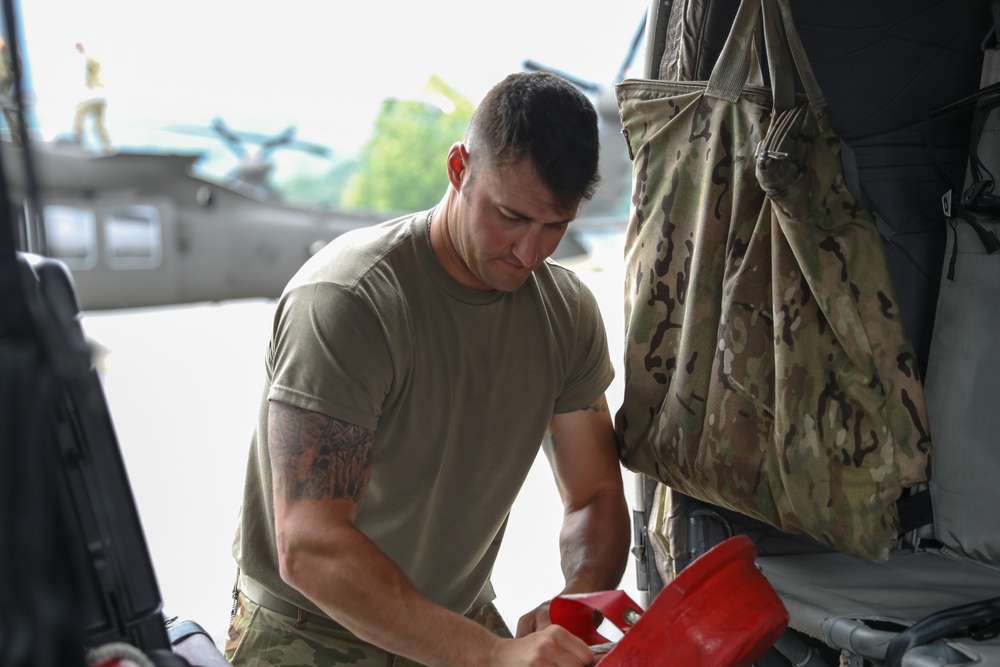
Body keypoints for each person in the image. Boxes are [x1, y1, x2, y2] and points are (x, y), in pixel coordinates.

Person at [227, 71, 631, 667]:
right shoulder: (350, 300)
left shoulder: (565, 312)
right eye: (511, 216)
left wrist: (575, 602)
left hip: (459, 619)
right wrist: (493, 656)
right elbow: (310, 547)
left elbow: (594, 493)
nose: (530, 252)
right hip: (312, 633)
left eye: (555, 227)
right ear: (459, 168)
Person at [72, 42, 112, 153]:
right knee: (99, 125)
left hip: (95, 96)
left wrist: (83, 52)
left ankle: (77, 143)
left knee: (79, 114)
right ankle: (108, 149)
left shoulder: (90, 60)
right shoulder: (92, 61)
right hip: (101, 97)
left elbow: (91, 62)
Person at [0, 36, 21, 145]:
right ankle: (17, 137)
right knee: (6, 108)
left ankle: (17, 136)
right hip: (7, 75)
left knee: (7, 108)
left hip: (5, 76)